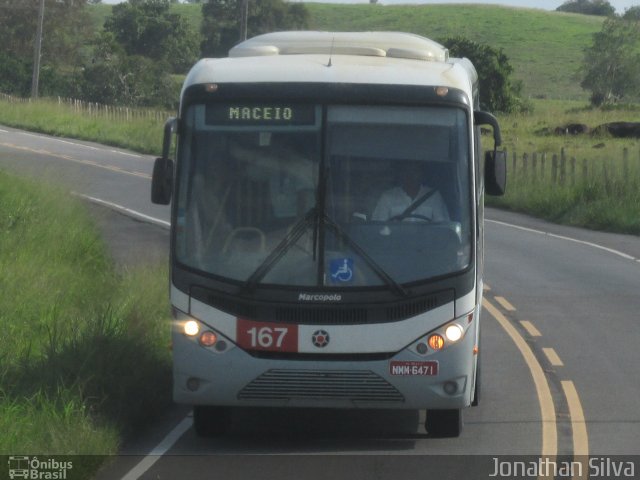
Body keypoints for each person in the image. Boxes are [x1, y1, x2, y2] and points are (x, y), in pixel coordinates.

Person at [372, 161, 450, 222]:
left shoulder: (434, 197)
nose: (410, 175)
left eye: (414, 171)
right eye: (406, 171)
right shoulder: (387, 197)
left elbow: (443, 227)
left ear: (421, 173)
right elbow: (378, 229)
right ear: (401, 174)